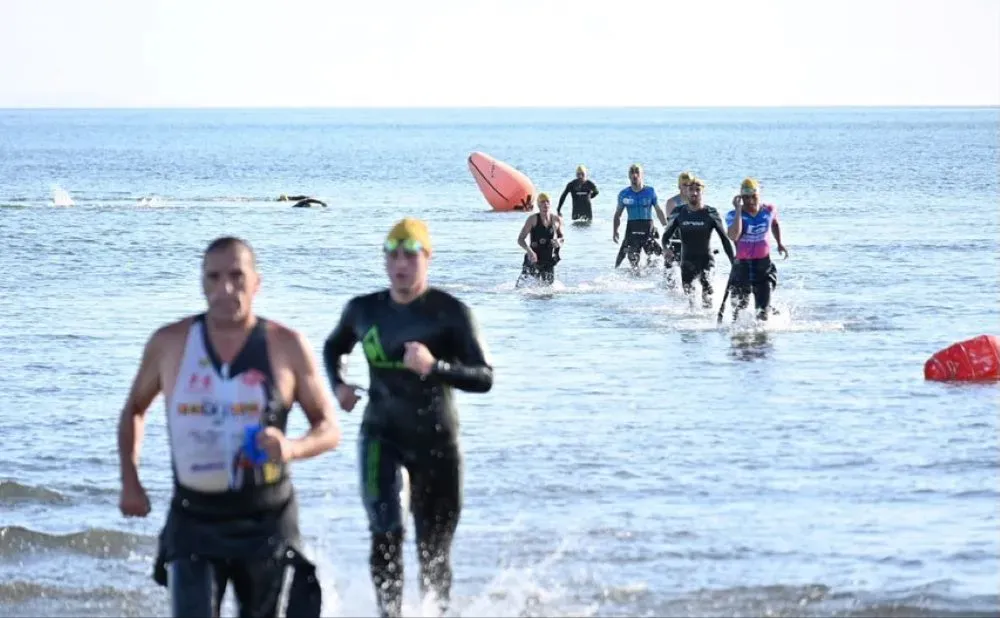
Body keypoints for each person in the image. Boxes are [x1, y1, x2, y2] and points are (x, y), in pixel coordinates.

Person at [116, 236, 342, 618]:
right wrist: (130, 481)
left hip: (267, 519)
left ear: (257, 282)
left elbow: (328, 428)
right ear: (202, 283)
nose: (225, 289)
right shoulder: (170, 343)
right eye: (214, 277)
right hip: (194, 518)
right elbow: (134, 409)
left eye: (237, 276)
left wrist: (291, 447)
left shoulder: (286, 345)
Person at [322, 218, 494, 618]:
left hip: (437, 440)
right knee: (385, 533)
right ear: (384, 259)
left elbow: (484, 377)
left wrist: (435, 367)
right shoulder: (363, 309)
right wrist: (339, 385)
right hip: (381, 434)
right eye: (393, 254)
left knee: (433, 550)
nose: (401, 263)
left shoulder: (450, 313)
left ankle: (437, 612)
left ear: (427, 258)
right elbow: (333, 347)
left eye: (410, 254)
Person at [659, 176, 735, 308]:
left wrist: (734, 263)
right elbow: (666, 237)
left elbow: (725, 239)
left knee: (707, 298)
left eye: (697, 190)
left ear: (702, 192)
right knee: (691, 302)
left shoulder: (711, 213)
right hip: (687, 263)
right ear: (686, 192)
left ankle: (708, 326)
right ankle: (693, 325)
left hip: (707, 261)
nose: (694, 193)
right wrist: (666, 249)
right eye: (691, 190)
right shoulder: (679, 212)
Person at [725, 178, 789, 320]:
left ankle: (762, 338)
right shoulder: (732, 215)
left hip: (763, 266)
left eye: (754, 196)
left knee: (762, 315)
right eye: (746, 197)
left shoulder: (769, 210)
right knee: (738, 314)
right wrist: (738, 211)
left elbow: (774, 224)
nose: (750, 200)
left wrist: (779, 243)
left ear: (759, 195)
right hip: (742, 267)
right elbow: (734, 235)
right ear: (741, 198)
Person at [613, 163, 668, 271]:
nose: (634, 175)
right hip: (632, 231)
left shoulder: (650, 191)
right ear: (629, 176)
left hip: (647, 230)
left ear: (642, 175)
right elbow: (617, 215)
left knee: (657, 261)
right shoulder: (624, 194)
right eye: (632, 172)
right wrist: (615, 231)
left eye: (637, 172)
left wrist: (666, 227)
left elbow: (659, 211)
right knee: (632, 266)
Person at [517, 192, 565, 286]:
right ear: (538, 205)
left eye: (547, 202)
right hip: (533, 258)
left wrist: (559, 242)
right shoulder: (532, 219)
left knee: (548, 291)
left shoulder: (556, 219)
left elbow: (562, 238)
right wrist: (530, 252)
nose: (545, 204)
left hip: (548, 259)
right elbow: (520, 239)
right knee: (522, 287)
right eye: (542, 202)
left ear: (550, 204)